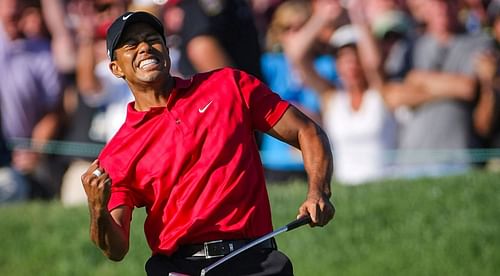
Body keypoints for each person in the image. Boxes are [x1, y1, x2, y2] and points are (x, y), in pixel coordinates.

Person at [80, 11, 335, 276]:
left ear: (167, 51)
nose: (144, 47)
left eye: (152, 39)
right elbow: (117, 249)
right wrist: (98, 210)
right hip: (181, 269)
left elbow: (307, 131)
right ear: (116, 68)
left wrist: (318, 191)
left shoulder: (228, 86)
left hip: (256, 260)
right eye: (131, 45)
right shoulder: (118, 152)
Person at [284, 0, 398, 185]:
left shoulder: (380, 92)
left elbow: (374, 64)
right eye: (344, 59)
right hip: (344, 188)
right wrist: (322, 16)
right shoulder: (331, 98)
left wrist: (357, 15)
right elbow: (296, 55)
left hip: (385, 184)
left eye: (356, 57)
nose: (351, 65)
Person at [259, 0, 337, 183]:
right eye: (288, 28)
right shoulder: (270, 65)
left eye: (302, 27)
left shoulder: (326, 66)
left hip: (315, 156)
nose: (296, 34)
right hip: (276, 161)